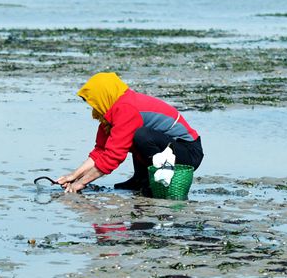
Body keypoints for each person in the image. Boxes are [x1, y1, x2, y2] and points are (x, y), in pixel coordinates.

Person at [57, 72, 203, 194]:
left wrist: (81, 184)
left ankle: (152, 183)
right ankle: (140, 179)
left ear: (103, 95)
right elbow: (100, 151)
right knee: (134, 136)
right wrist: (73, 176)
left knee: (140, 135)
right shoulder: (111, 110)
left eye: (94, 101)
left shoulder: (126, 109)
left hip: (188, 152)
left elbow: (113, 156)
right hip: (168, 147)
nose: (93, 107)